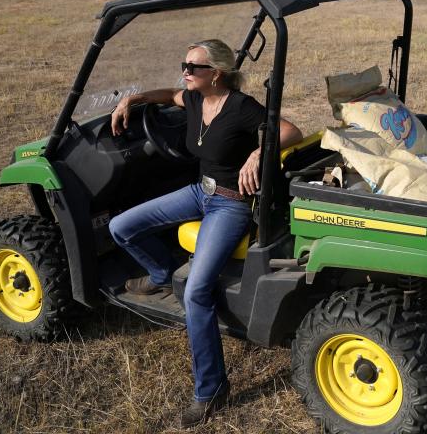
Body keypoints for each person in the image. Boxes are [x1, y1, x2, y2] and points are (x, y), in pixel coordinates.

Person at [107, 39, 302, 427]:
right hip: (200, 192)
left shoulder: (241, 107)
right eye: (184, 64)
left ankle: (210, 389)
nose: (185, 71)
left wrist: (256, 154)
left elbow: (290, 130)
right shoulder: (195, 99)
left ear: (216, 73)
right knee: (121, 227)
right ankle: (163, 275)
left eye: (193, 66)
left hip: (230, 204)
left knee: (196, 292)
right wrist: (134, 99)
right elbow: (172, 95)